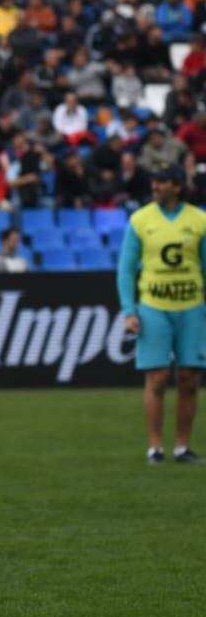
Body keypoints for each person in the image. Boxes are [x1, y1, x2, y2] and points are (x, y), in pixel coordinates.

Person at [117, 165, 206, 465]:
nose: (155, 186)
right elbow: (126, 270)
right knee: (156, 377)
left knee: (189, 377)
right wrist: (130, 310)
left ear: (178, 186)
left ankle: (182, 447)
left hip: (192, 306)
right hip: (154, 306)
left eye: (162, 181)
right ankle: (155, 447)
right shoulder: (140, 220)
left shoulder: (199, 220)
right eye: (154, 181)